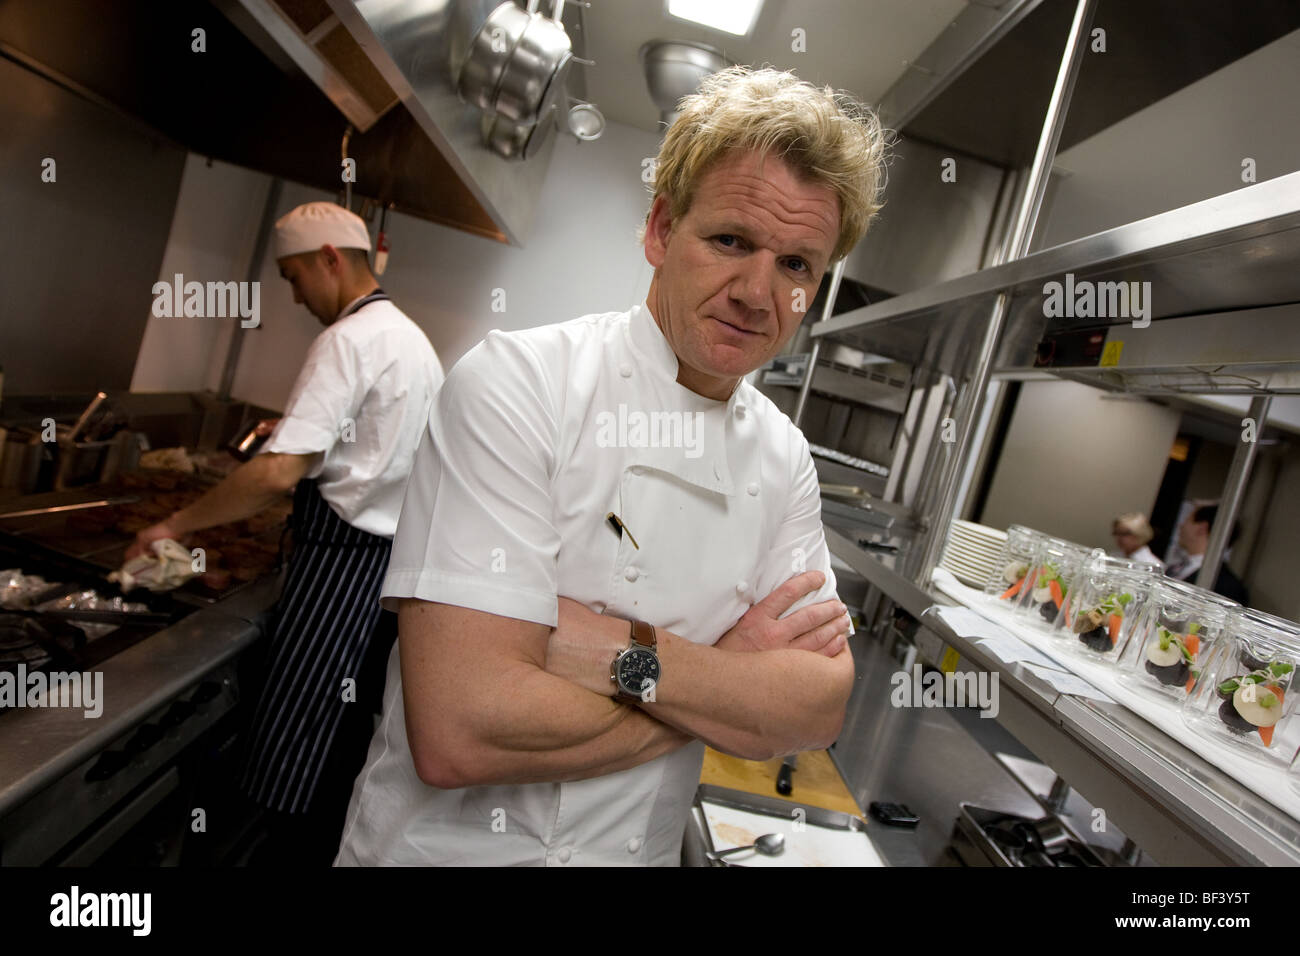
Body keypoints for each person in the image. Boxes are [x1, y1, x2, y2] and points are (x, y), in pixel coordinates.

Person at [335, 66, 886, 867]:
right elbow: (460, 729)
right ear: (661, 230)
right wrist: (726, 680)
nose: (757, 292)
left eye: (797, 265)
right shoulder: (519, 383)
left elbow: (815, 710)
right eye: (731, 241)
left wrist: (599, 650)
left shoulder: (783, 458)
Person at [128, 201, 445, 862]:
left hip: (338, 577)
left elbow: (276, 474)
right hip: (380, 572)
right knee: (334, 748)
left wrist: (172, 525)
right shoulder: (409, 339)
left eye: (293, 277)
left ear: (329, 259)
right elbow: (376, 452)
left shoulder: (348, 340)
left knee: (294, 751)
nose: (295, 296)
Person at [1165, 504, 1249, 604]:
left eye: (1187, 521)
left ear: (1202, 528)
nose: (1181, 526)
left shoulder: (1227, 587)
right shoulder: (1176, 567)